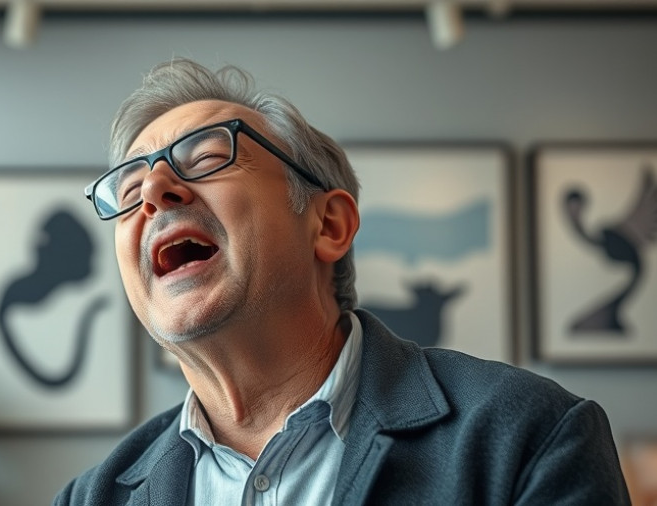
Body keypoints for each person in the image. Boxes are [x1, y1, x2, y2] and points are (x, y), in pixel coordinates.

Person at [54, 58, 630, 505]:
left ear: (329, 225)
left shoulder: (530, 437)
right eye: (129, 193)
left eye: (206, 158)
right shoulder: (88, 498)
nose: (154, 192)